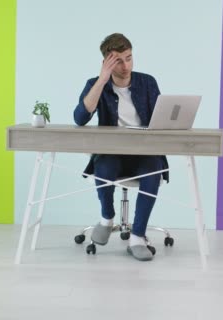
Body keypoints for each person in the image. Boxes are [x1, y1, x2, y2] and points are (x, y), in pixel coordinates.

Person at [73, 33, 169, 261]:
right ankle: (107, 218)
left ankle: (137, 236)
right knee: (104, 168)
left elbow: (161, 118)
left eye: (129, 58)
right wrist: (101, 80)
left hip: (143, 152)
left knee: (153, 170)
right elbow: (80, 118)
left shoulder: (147, 82)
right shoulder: (95, 85)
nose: (126, 66)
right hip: (111, 152)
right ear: (107, 62)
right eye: (118, 61)